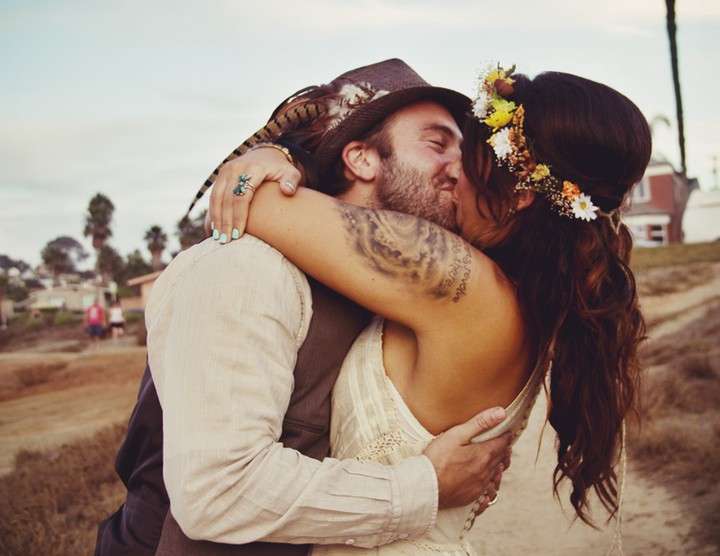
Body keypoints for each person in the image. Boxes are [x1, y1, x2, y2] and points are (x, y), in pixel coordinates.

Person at [209, 64, 651, 554]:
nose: (454, 172)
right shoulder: (521, 298)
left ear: (520, 194)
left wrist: (278, 151)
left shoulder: (452, 278)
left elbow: (261, 200)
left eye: (473, 155)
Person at [95, 59, 513, 556]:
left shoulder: (385, 291)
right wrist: (423, 487)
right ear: (361, 159)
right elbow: (218, 491)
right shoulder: (246, 267)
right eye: (436, 143)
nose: (459, 169)